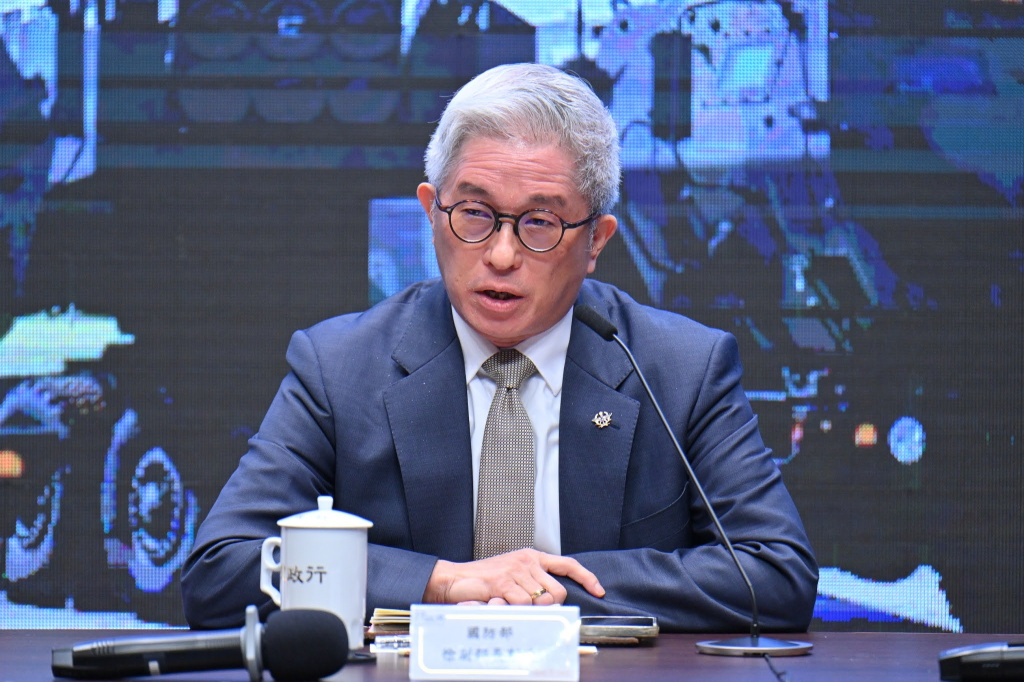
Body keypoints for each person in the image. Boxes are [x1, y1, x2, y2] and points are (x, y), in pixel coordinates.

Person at [181, 63, 818, 632]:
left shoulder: (680, 369)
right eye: (475, 214)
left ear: (597, 241)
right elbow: (220, 570)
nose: (503, 255)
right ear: (432, 211)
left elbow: (774, 573)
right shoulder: (340, 367)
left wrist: (546, 592)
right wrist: (442, 583)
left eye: (540, 222)